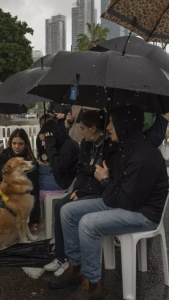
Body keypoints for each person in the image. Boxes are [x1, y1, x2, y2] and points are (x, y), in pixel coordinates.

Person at [48, 106, 169, 300]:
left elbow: (125, 200)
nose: (109, 126)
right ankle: (75, 267)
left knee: (88, 224)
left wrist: (105, 180)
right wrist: (106, 180)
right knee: (67, 211)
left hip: (143, 214)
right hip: (123, 201)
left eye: (113, 122)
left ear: (126, 125)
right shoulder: (125, 148)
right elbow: (118, 191)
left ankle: (92, 284)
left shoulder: (143, 157)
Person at [44, 110, 117, 276]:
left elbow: (107, 178)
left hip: (102, 193)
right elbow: (81, 170)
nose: (80, 131)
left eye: (83, 128)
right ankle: (62, 257)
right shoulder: (86, 144)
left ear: (93, 128)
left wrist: (84, 190)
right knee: (60, 206)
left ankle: (74, 261)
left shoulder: (110, 146)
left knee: (67, 208)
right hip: (85, 189)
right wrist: (80, 188)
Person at [0, 128, 41, 231]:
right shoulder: (4, 155)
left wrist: (35, 219)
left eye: (20, 144)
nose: (16, 147)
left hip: (20, 201)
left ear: (25, 144)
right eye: (14, 143)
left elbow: (34, 190)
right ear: (10, 143)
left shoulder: (29, 162)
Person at [38, 119, 80, 191]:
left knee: (32, 181)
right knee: (35, 169)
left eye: (44, 140)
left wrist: (50, 145)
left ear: (52, 137)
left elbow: (57, 168)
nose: (42, 144)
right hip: (62, 175)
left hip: (64, 182)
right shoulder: (63, 141)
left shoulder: (69, 146)